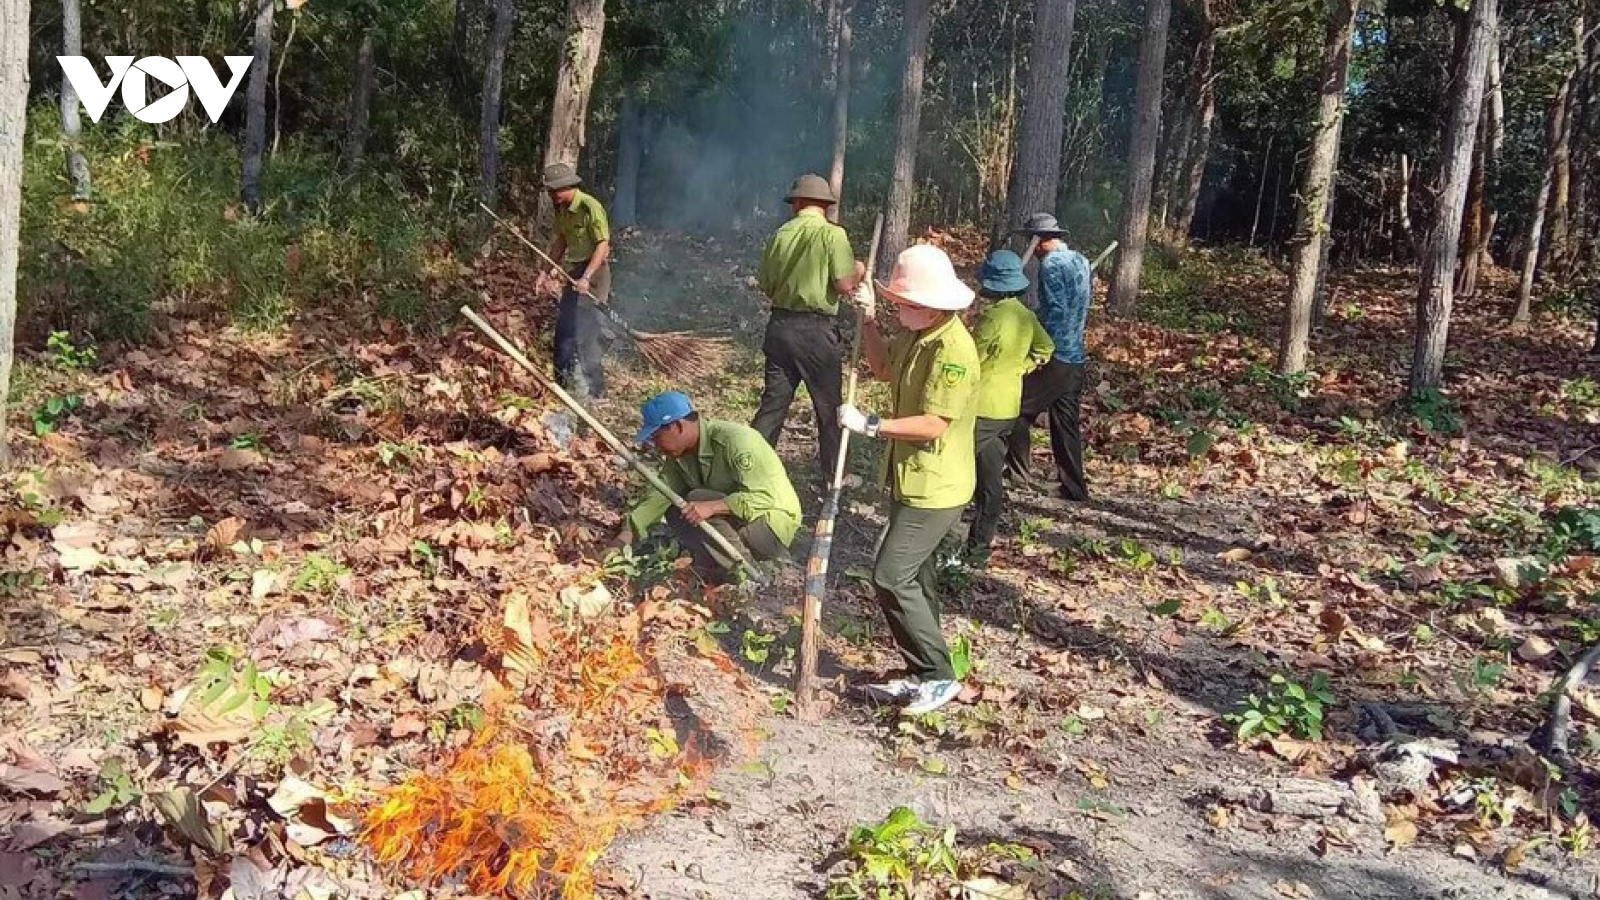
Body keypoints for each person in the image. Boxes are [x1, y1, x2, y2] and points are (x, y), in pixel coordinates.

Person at [838, 244, 980, 716]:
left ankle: (939, 676)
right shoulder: (919, 334)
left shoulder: (953, 350)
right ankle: (925, 673)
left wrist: (872, 426)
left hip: (936, 488)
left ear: (933, 305)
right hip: (909, 478)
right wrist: (870, 321)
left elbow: (934, 423)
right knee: (915, 575)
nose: (900, 309)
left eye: (904, 304)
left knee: (890, 575)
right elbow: (880, 367)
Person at [752, 174, 865, 480]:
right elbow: (843, 284)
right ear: (825, 206)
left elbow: (767, 284)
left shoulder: (779, 235)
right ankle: (835, 475)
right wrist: (859, 270)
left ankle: (749, 467)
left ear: (797, 204)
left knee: (773, 405)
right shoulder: (833, 235)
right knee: (829, 409)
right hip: (816, 332)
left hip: (780, 327)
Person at [619, 391, 803, 576]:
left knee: (698, 499)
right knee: (675, 504)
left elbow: (765, 498)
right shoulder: (680, 456)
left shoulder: (737, 441)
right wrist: (623, 538)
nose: (657, 447)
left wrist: (714, 507)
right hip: (737, 523)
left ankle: (748, 575)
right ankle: (711, 566)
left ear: (677, 427)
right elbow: (659, 495)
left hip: (771, 525)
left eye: (656, 437)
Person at [966, 250, 1054, 561]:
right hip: (1008, 408)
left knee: (958, 469)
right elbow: (1046, 347)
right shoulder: (1026, 315)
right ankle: (978, 549)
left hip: (981, 406)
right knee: (991, 480)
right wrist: (1023, 366)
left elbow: (971, 360)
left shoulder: (992, 317)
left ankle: (939, 539)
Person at [1008, 212, 1092, 502]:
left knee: (1017, 410)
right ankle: (1074, 488)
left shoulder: (1051, 265)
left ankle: (1018, 475)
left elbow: (1056, 311)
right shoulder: (1080, 260)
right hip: (1077, 356)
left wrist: (1038, 346)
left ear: (1038, 241)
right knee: (1065, 422)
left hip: (1057, 355)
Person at [545, 161, 613, 400]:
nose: (551, 195)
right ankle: (559, 386)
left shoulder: (589, 207)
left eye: (554, 191)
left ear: (567, 186)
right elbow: (561, 242)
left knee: (585, 332)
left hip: (594, 273)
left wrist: (587, 277)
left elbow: (602, 246)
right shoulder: (561, 209)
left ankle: (597, 391)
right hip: (574, 272)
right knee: (564, 329)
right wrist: (547, 270)